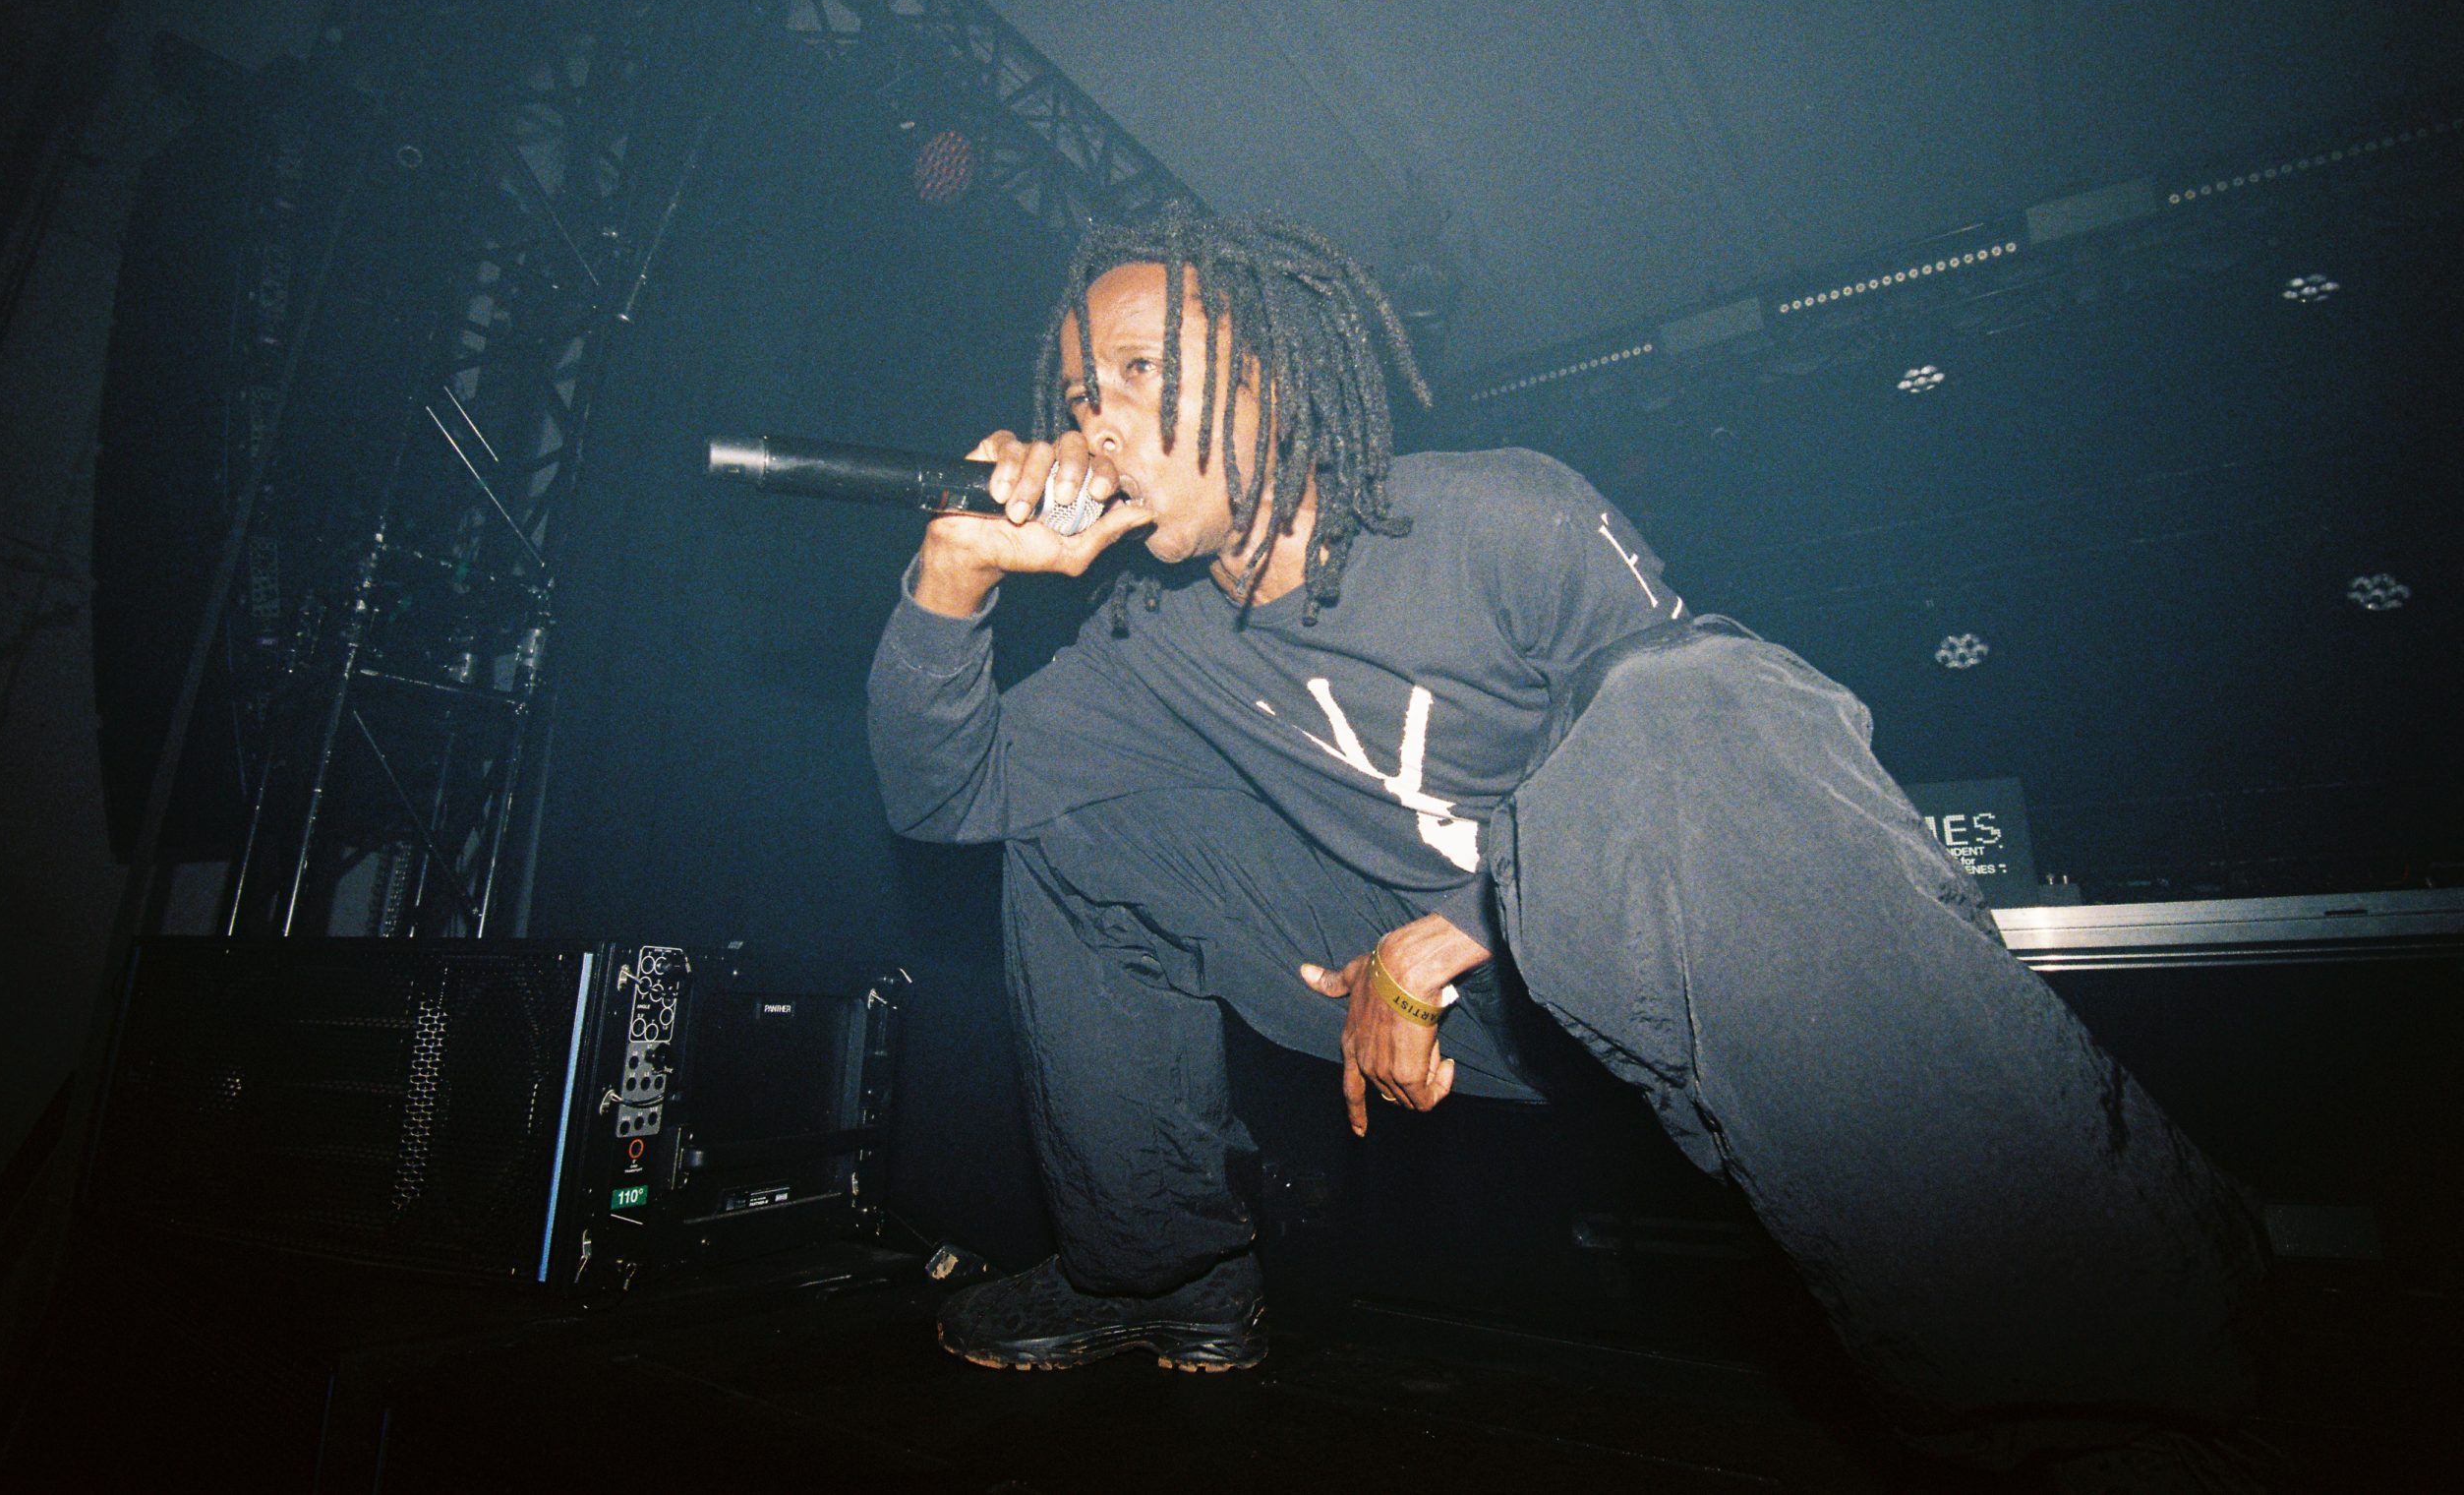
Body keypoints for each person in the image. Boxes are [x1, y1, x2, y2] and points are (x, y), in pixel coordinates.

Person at [864, 206, 2267, 1476]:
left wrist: (1461, 925)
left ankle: (2093, 1354)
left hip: (1648, 965)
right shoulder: (1148, 642)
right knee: (1071, 830)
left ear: (1274, 374)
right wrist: (951, 578)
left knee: (1687, 696)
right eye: (1078, 397)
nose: (1097, 425)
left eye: (1140, 371)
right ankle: (1158, 1272)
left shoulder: (1499, 517)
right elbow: (948, 795)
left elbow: (1693, 750)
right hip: (1409, 997)